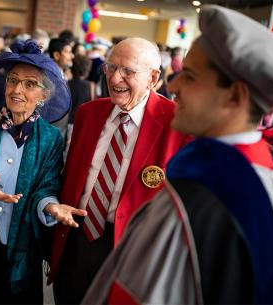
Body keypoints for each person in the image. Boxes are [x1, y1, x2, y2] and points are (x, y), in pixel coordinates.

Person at [82, 5, 273, 305]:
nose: (173, 86)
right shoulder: (261, 170)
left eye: (189, 77)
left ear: (236, 95)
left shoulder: (200, 194)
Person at [48, 37, 190, 304]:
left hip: (130, 252)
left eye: (128, 71)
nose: (115, 79)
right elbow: (70, 177)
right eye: (111, 67)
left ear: (153, 78)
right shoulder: (88, 113)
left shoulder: (178, 125)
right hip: (76, 240)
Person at [0, 39, 86, 304]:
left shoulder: (49, 139)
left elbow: (45, 189)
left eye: (29, 84)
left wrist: (51, 207)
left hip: (22, 248)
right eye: (12, 80)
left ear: (44, 95)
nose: (17, 90)